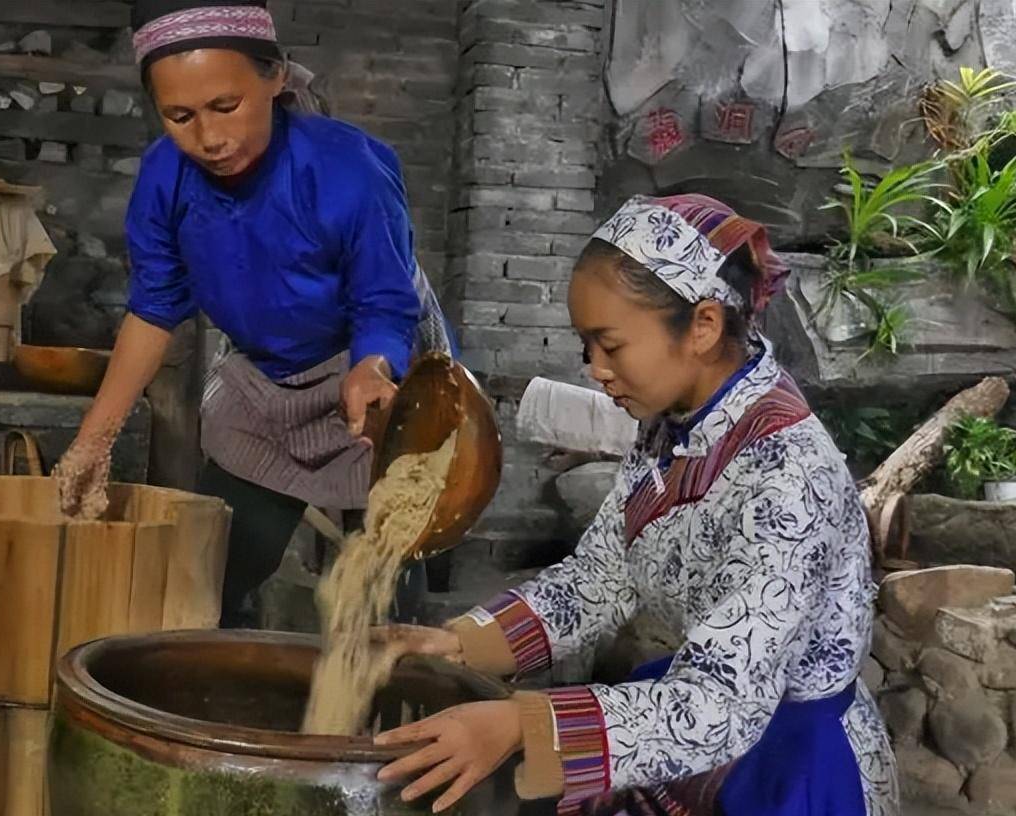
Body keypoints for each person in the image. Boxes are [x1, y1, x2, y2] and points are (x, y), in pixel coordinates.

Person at [373, 195, 898, 816]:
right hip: (693, 723)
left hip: (788, 766)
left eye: (610, 346)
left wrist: (521, 725)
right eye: (586, 346)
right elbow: (602, 575)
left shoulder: (789, 477)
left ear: (702, 327)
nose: (595, 370)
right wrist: (459, 646)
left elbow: (720, 702)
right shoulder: (674, 425)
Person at [53, 0, 454, 628]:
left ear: (275, 78)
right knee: (214, 576)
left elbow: (383, 302)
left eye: (225, 106)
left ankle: (388, 712)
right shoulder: (165, 179)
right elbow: (155, 309)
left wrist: (373, 369)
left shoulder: (349, 169)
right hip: (266, 380)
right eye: (178, 116)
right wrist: (93, 440)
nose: (209, 139)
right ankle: (219, 699)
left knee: (384, 595)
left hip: (376, 364)